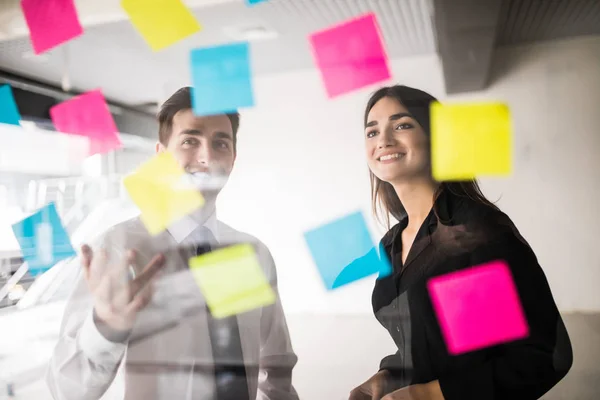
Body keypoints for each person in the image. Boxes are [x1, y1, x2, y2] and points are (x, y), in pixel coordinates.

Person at [47, 87, 299, 400]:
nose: (206, 157)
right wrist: (104, 331)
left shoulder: (253, 253)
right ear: (161, 155)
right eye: (190, 141)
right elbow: (64, 390)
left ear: (233, 158)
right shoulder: (117, 249)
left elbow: (275, 369)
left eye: (220, 143)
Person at [348, 85, 572, 400]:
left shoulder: (474, 233)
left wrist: (428, 395)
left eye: (402, 125)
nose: (383, 140)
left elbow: (544, 356)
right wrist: (387, 378)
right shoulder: (391, 245)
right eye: (372, 132)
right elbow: (434, 345)